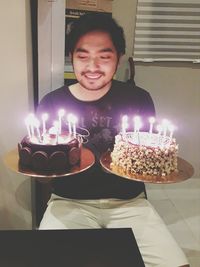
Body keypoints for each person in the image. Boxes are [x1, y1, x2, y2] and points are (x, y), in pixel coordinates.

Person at [37, 13, 189, 267]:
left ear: (117, 59)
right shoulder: (53, 103)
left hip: (130, 202)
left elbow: (147, 159)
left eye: (104, 57)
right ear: (71, 58)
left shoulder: (138, 98)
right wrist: (39, 165)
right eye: (82, 56)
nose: (92, 67)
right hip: (69, 202)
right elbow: (44, 176)